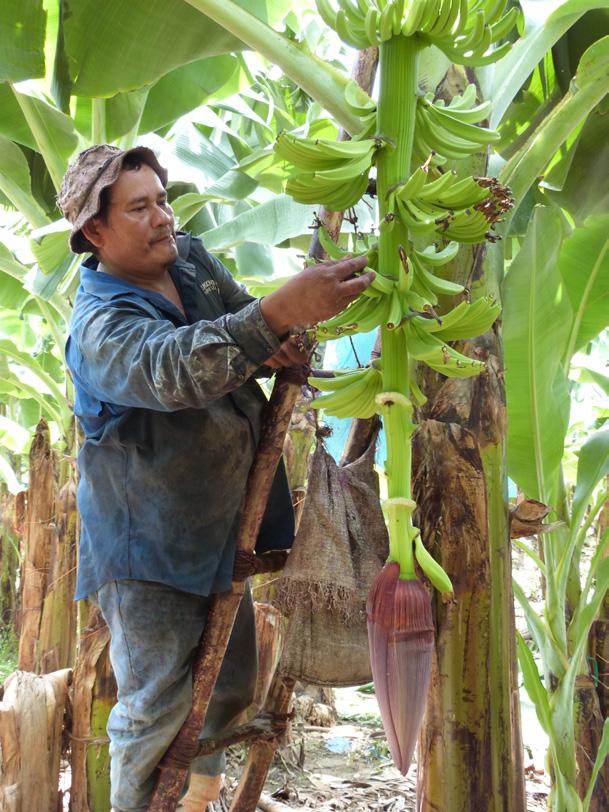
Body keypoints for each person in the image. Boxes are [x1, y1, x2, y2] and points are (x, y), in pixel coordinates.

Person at [57, 144, 373, 812]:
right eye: (140, 208)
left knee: (228, 691)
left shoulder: (189, 259)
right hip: (148, 549)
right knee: (154, 710)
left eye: (163, 199)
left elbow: (237, 316)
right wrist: (274, 317)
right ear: (96, 232)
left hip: (223, 525)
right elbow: (176, 369)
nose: (163, 218)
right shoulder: (100, 325)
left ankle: (198, 801)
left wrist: (274, 339)